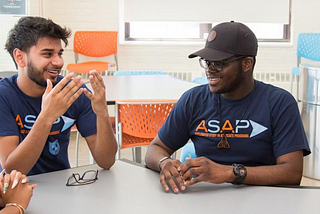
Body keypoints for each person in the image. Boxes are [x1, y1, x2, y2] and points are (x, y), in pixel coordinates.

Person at [145, 21, 311, 193]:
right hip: (207, 199)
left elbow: (292, 173)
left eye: (218, 63)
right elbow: (155, 149)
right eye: (206, 62)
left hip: (264, 199)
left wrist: (229, 173)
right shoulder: (193, 100)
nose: (209, 69)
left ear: (247, 64)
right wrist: (164, 162)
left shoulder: (279, 103)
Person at [0, 16, 118, 176]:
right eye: (48, 54)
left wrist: (102, 113)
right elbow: (12, 170)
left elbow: (106, 161)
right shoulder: (3, 96)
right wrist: (47, 116)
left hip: (61, 186)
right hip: (14, 193)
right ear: (20, 57)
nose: (58, 62)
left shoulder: (72, 91)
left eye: (59, 53)